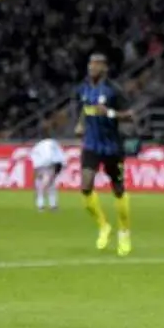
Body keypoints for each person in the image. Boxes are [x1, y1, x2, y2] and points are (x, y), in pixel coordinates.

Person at [74, 52, 133, 256]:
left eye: (97, 63)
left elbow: (130, 115)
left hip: (112, 147)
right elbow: (84, 109)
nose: (92, 66)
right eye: (90, 63)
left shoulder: (114, 90)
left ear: (105, 68)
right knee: (85, 186)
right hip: (91, 145)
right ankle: (104, 225)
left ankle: (124, 231)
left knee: (118, 190)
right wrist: (80, 124)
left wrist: (109, 112)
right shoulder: (83, 88)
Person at [29, 133, 66, 211]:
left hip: (38, 165)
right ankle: (52, 205)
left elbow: (32, 155)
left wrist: (36, 165)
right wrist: (62, 164)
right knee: (50, 185)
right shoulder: (52, 143)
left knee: (40, 183)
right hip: (49, 164)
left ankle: (41, 205)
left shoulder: (38, 145)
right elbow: (59, 154)